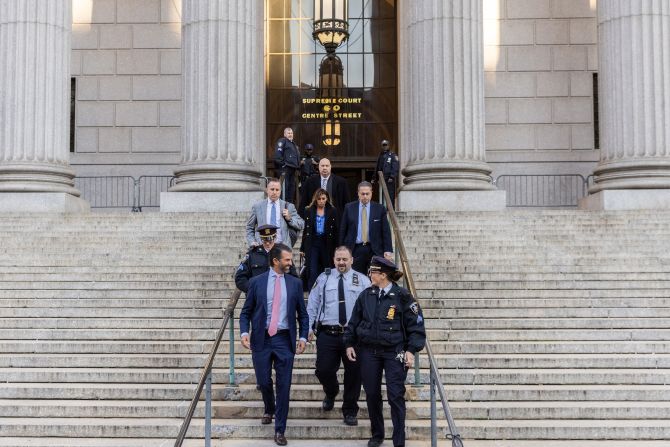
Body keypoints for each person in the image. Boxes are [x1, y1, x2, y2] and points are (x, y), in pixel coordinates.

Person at [344, 256, 426, 447]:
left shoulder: (403, 296)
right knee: (372, 394)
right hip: (368, 352)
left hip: (394, 352)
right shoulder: (366, 295)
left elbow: (416, 326)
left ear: (383, 274)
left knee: (395, 395)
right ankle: (377, 434)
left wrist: (411, 350)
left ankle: (399, 440)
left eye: (372, 271)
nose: (369, 274)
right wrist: (349, 343)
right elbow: (354, 322)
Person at [239, 243, 310, 446]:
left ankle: (280, 430)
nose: (291, 263)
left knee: (284, 385)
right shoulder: (256, 282)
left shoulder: (295, 283)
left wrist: (303, 337)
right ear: (276, 261)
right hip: (261, 338)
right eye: (287, 259)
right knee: (263, 381)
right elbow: (246, 311)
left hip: (284, 339)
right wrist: (245, 332)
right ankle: (269, 407)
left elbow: (303, 315)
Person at [307, 246, 371, 426]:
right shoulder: (323, 278)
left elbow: (369, 309)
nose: (341, 263)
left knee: (354, 375)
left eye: (345, 259)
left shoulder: (363, 281)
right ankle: (331, 391)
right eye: (338, 259)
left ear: (352, 260)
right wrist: (308, 328)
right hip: (328, 333)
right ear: (334, 260)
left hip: (353, 336)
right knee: (323, 370)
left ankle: (350, 411)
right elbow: (312, 304)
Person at [339, 181, 393, 274]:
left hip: (374, 249)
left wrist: (388, 250)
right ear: (358, 193)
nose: (365, 196)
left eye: (367, 194)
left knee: (375, 277)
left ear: (371, 193)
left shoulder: (379, 209)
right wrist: (341, 248)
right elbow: (343, 229)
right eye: (362, 194)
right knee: (356, 278)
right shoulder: (349, 207)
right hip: (355, 249)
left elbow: (385, 231)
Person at [235, 224, 297, 293]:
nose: (267, 243)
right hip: (257, 297)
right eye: (264, 241)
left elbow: (293, 276)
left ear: (275, 237)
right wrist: (252, 289)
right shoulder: (252, 254)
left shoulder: (283, 253)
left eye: (270, 241)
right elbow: (240, 277)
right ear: (261, 239)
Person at [246, 178, 304, 248]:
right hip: (262, 246)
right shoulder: (257, 206)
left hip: (282, 248)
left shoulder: (289, 206)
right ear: (267, 190)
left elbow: (301, 224)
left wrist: (290, 219)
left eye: (277, 190)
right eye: (272, 189)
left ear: (280, 191)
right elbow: (250, 227)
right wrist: (252, 242)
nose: (274, 192)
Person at [300, 188, 340, 290]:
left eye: (323, 198)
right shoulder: (309, 210)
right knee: (312, 270)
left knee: (328, 269)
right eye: (319, 199)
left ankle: (329, 291)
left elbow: (336, 230)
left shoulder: (332, 210)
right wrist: (302, 248)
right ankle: (312, 295)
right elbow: (306, 230)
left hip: (327, 242)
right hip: (313, 242)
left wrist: (337, 247)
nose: (321, 201)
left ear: (327, 198)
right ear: (315, 199)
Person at [274, 127, 300, 204]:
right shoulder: (282, 141)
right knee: (284, 188)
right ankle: (282, 206)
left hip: (293, 169)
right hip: (286, 169)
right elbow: (278, 154)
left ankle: (289, 207)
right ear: (284, 134)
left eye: (291, 133)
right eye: (288, 133)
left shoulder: (294, 144)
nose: (290, 134)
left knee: (291, 189)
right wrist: (283, 165)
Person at [372, 139, 399, 207]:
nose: (384, 146)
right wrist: (374, 178)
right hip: (381, 179)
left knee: (390, 194)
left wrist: (392, 176)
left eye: (386, 145)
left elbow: (395, 167)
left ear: (388, 146)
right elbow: (377, 167)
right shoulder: (380, 155)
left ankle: (390, 208)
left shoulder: (392, 155)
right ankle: (382, 208)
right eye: (383, 145)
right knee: (381, 194)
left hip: (388, 179)